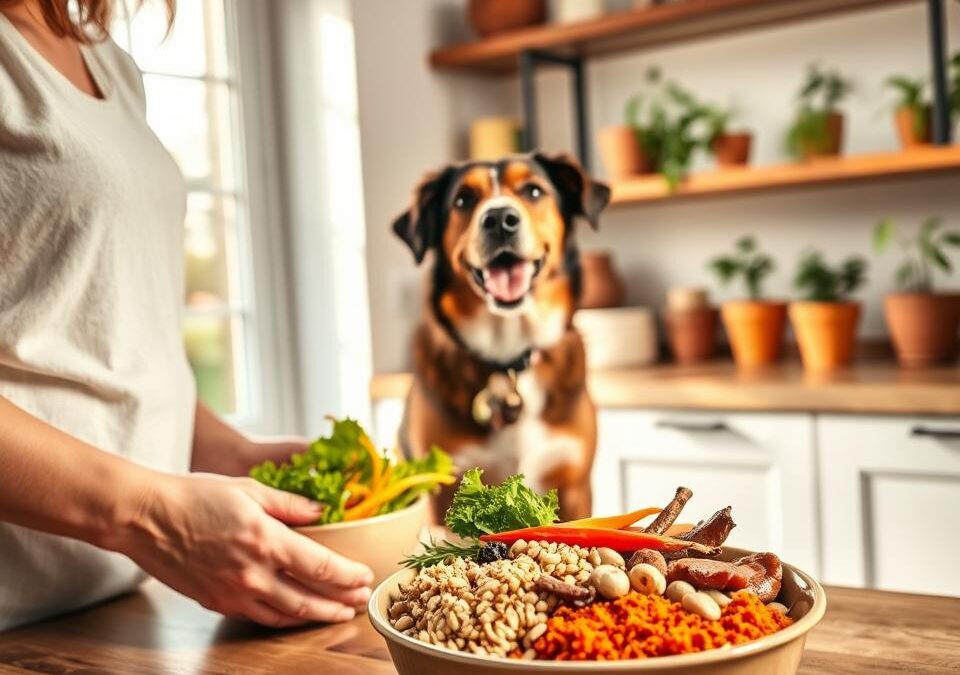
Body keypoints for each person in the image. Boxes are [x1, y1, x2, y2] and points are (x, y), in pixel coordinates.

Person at [0, 0, 373, 631]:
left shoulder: (109, 64)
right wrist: (149, 514)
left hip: (115, 606)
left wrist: (232, 454)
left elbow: (107, 340)